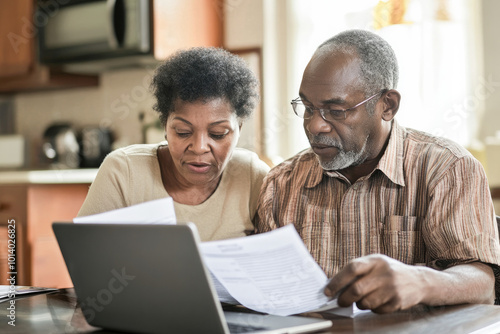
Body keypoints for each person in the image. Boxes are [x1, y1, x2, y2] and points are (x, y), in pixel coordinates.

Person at [254, 29, 500, 313]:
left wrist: (422, 282)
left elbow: (483, 285)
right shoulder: (281, 184)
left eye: (336, 111)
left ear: (387, 105)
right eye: (308, 107)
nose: (314, 126)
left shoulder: (447, 169)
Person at [78, 47, 270, 241]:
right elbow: (85, 256)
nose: (199, 147)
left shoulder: (253, 177)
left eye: (217, 134)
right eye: (183, 132)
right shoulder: (123, 172)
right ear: (165, 126)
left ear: (239, 128)